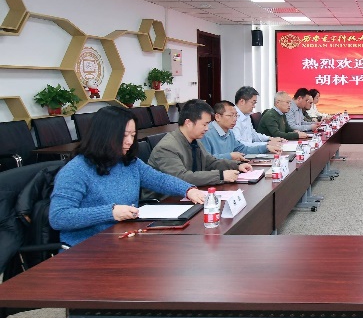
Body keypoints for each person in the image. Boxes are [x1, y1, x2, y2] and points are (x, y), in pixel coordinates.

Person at [49, 106, 207, 247]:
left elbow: (159, 179)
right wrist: (110, 212)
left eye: (133, 135)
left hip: (123, 238)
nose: (130, 142)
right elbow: (58, 217)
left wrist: (188, 190)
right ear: (104, 135)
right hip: (86, 248)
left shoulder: (128, 162)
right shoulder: (76, 170)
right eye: (125, 136)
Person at [148, 99, 251, 186]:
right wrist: (221, 175)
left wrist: (237, 165)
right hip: (165, 199)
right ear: (188, 123)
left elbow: (210, 162)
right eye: (204, 124)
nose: (207, 129)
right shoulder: (167, 147)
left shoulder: (195, 141)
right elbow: (181, 178)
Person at [202, 101, 283, 160]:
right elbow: (206, 160)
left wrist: (266, 147)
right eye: (230, 116)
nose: (234, 119)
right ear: (217, 117)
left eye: (236, 116)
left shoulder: (229, 132)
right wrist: (230, 156)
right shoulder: (206, 133)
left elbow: (243, 149)